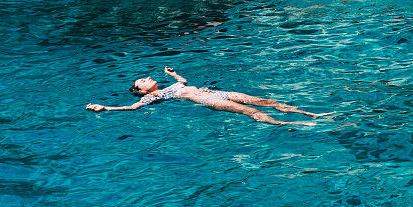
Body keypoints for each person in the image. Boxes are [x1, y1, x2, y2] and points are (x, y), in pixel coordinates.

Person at [86, 66, 332, 126]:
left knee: (264, 101)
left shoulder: (166, 86)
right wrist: (105, 108)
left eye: (147, 77)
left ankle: (308, 112)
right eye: (143, 81)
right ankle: (291, 123)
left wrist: (174, 74)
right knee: (253, 112)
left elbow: (183, 82)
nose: (148, 78)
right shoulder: (151, 98)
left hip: (214, 91)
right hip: (207, 100)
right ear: (142, 91)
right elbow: (132, 108)